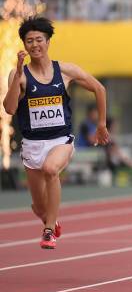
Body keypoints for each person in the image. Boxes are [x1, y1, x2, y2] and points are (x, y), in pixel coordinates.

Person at [3, 16, 109, 249]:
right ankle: (49, 218)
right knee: (39, 207)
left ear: (48, 41)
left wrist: (101, 124)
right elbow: (10, 108)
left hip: (60, 140)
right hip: (32, 144)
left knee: (52, 170)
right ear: (24, 45)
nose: (34, 45)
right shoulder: (18, 75)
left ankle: (48, 231)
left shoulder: (65, 71)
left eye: (39, 39)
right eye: (29, 41)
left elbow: (99, 89)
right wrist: (17, 74)